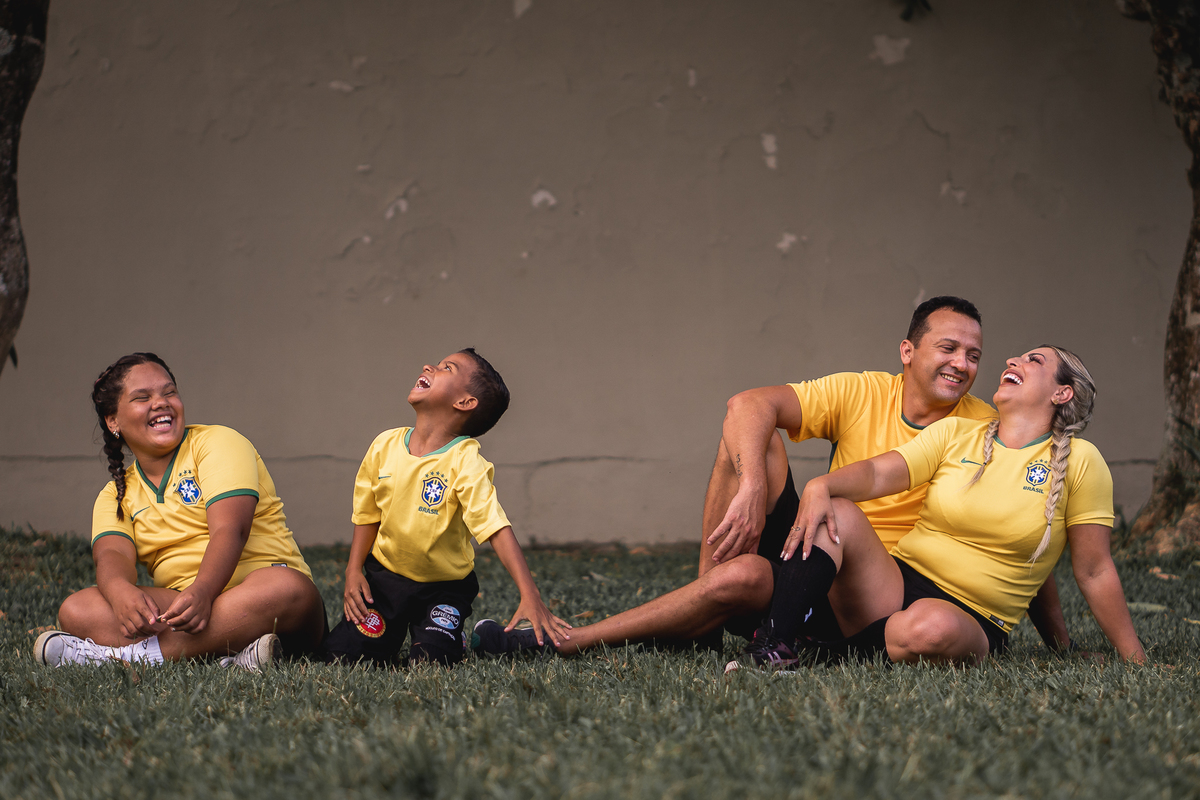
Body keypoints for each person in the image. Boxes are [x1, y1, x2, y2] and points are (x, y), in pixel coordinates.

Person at [474, 297, 1070, 656]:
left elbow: (1015, 541)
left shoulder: (986, 429)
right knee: (748, 443)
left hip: (877, 590)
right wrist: (755, 489)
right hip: (816, 549)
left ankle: (574, 640)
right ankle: (706, 605)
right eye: (948, 348)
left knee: (752, 577)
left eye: (974, 355)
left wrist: (1059, 643)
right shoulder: (864, 391)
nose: (963, 365)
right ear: (908, 352)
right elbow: (746, 405)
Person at [748, 345, 1144, 667]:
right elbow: (878, 475)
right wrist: (822, 485)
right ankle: (773, 646)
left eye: (1033, 360)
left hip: (971, 619)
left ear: (1062, 393)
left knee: (930, 627)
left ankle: (822, 655)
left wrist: (1135, 658)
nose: (1013, 361)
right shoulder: (957, 432)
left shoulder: (1081, 461)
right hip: (894, 584)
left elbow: (1094, 570)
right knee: (838, 511)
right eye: (1018, 356)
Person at [35, 353, 326, 671]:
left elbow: (230, 529)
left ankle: (130, 659)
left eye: (169, 392)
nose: (160, 403)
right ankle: (231, 658)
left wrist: (202, 592)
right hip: (183, 607)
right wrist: (120, 593)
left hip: (265, 598)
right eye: (142, 397)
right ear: (113, 420)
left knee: (286, 587)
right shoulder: (115, 494)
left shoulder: (217, 442)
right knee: (77, 609)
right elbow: (112, 557)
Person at [323, 349, 570, 667]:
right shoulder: (384, 445)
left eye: (446, 368)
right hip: (385, 581)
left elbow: (494, 527)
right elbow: (367, 515)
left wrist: (530, 594)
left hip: (443, 591)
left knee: (431, 664)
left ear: (465, 402)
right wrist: (354, 570)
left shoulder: (466, 461)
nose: (429, 366)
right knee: (342, 658)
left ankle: (452, 636)